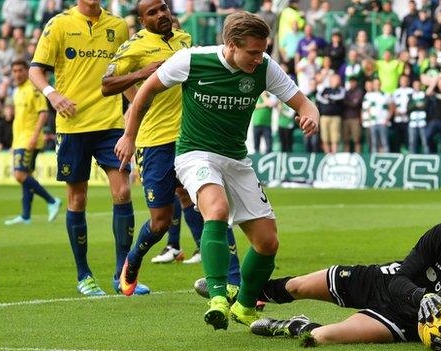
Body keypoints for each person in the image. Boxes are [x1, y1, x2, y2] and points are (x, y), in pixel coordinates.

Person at [114, 11, 319, 329]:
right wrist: (129, 135)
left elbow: (304, 103)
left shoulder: (264, 67)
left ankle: (245, 306)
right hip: (195, 154)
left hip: (236, 160)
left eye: (261, 51)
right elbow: (145, 91)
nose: (258, 58)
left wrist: (310, 115)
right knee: (217, 210)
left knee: (268, 243)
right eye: (252, 52)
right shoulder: (192, 61)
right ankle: (219, 298)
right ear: (231, 45)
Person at [242, 185, 441, 349]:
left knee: (322, 337)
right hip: (383, 281)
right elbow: (401, 278)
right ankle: (240, 295)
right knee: (296, 286)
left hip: (404, 322)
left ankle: (294, 325)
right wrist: (424, 296)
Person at [101, 0, 243, 290]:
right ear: (142, 20)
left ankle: (236, 282)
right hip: (155, 143)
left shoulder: (185, 40)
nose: (161, 14)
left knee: (214, 208)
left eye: (163, 8)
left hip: (192, 140)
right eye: (152, 12)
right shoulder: (136, 46)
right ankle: (134, 259)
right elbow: (107, 84)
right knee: (160, 223)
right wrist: (143, 74)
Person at [29, 0, 148, 296]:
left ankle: (122, 276)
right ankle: (84, 275)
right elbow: (35, 71)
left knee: (122, 191)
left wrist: (138, 106)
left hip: (110, 125)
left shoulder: (118, 26)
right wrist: (52, 95)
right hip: (72, 125)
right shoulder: (58, 24)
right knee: (77, 198)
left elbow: (122, 76)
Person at [4, 59, 61, 226]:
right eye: (14, 71)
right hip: (19, 140)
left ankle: (52, 201)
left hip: (29, 139)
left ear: (26, 71)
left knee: (19, 175)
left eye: (20, 70)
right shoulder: (17, 91)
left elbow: (43, 114)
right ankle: (26, 215)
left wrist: (35, 136)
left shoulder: (34, 89)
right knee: (25, 176)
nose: (17, 74)